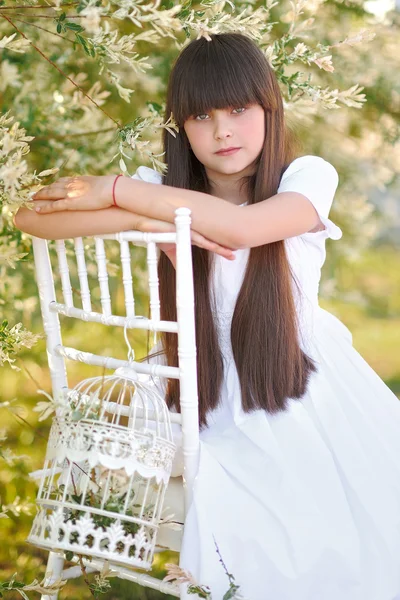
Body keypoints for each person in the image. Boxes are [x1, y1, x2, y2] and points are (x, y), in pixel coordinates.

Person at [15, 33, 400, 600]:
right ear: (180, 127)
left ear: (269, 108)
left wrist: (121, 191)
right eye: (201, 115)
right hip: (196, 383)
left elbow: (240, 229)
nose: (223, 130)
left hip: (292, 378)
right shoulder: (166, 191)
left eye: (240, 110)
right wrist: (150, 222)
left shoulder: (307, 176)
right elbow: (30, 217)